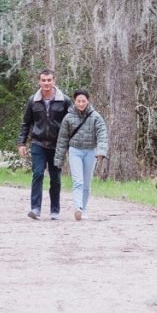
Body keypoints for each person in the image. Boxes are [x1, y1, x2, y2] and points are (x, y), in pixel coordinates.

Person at [18, 70, 71, 218]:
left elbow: (72, 123)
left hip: (57, 144)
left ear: (54, 81)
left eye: (49, 80)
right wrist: (21, 143)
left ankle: (55, 210)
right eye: (43, 80)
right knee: (38, 174)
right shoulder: (32, 101)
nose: (46, 83)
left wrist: (70, 144)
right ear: (39, 82)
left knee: (55, 178)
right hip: (38, 142)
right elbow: (26, 123)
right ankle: (35, 209)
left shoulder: (64, 100)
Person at [57, 91, 106, 220]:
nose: (81, 103)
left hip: (91, 151)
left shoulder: (96, 116)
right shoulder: (68, 117)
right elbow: (62, 139)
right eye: (78, 101)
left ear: (88, 101)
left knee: (86, 183)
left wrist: (101, 151)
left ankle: (84, 209)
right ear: (74, 101)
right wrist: (59, 158)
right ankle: (77, 207)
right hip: (75, 151)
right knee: (77, 181)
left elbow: (102, 134)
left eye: (83, 101)